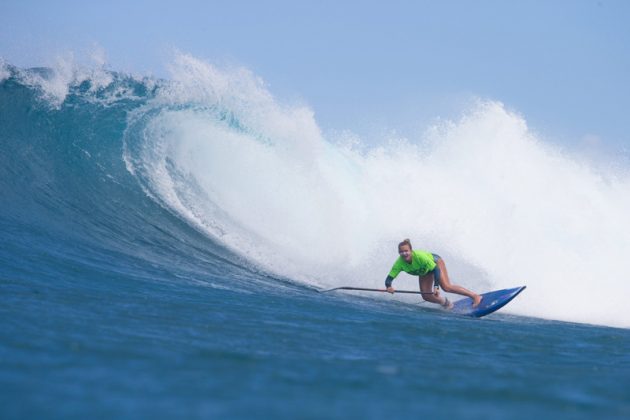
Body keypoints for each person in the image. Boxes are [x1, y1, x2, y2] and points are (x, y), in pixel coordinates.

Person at [385, 239, 482, 308]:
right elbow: (389, 278)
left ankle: (475, 296)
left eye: (406, 251)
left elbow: (436, 269)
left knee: (446, 287)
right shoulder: (399, 263)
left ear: (411, 251)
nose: (404, 253)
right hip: (424, 271)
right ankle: (446, 303)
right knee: (426, 295)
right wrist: (388, 286)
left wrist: (436, 287)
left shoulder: (420, 257)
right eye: (401, 252)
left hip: (435, 263)